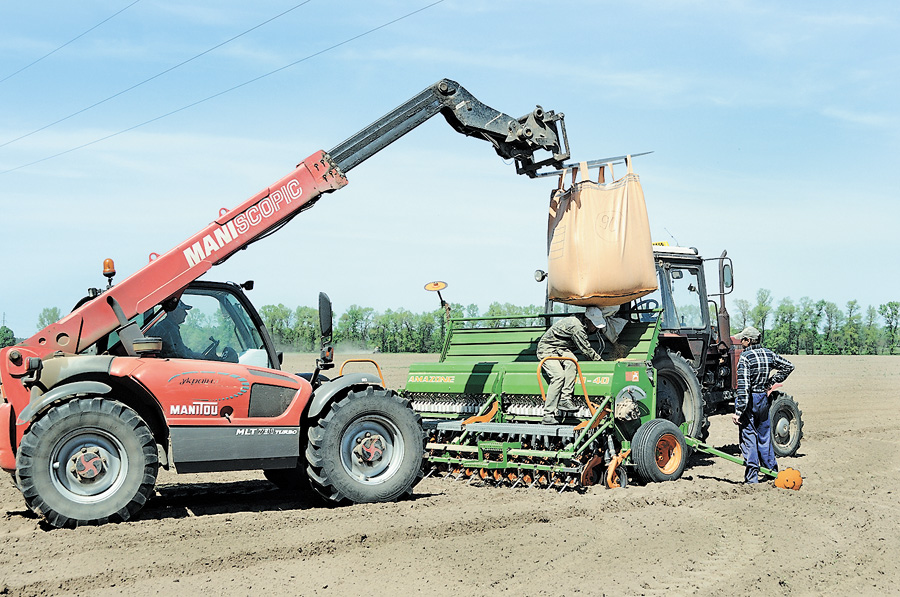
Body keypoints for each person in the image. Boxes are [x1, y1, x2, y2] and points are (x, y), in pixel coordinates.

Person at [732, 326, 794, 484]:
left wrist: (739, 412)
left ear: (749, 341)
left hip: (750, 400)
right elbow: (789, 366)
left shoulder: (745, 358)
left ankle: (752, 478)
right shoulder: (769, 354)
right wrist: (770, 382)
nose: (741, 342)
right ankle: (771, 472)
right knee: (765, 436)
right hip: (763, 400)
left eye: (743, 340)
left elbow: (744, 387)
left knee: (749, 437)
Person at [537, 307, 607, 425]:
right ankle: (548, 414)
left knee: (572, 361)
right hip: (548, 348)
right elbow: (586, 350)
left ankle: (565, 399)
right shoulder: (577, 327)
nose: (595, 329)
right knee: (558, 376)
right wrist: (603, 365)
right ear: (587, 320)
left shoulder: (581, 321)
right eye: (594, 325)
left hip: (561, 348)